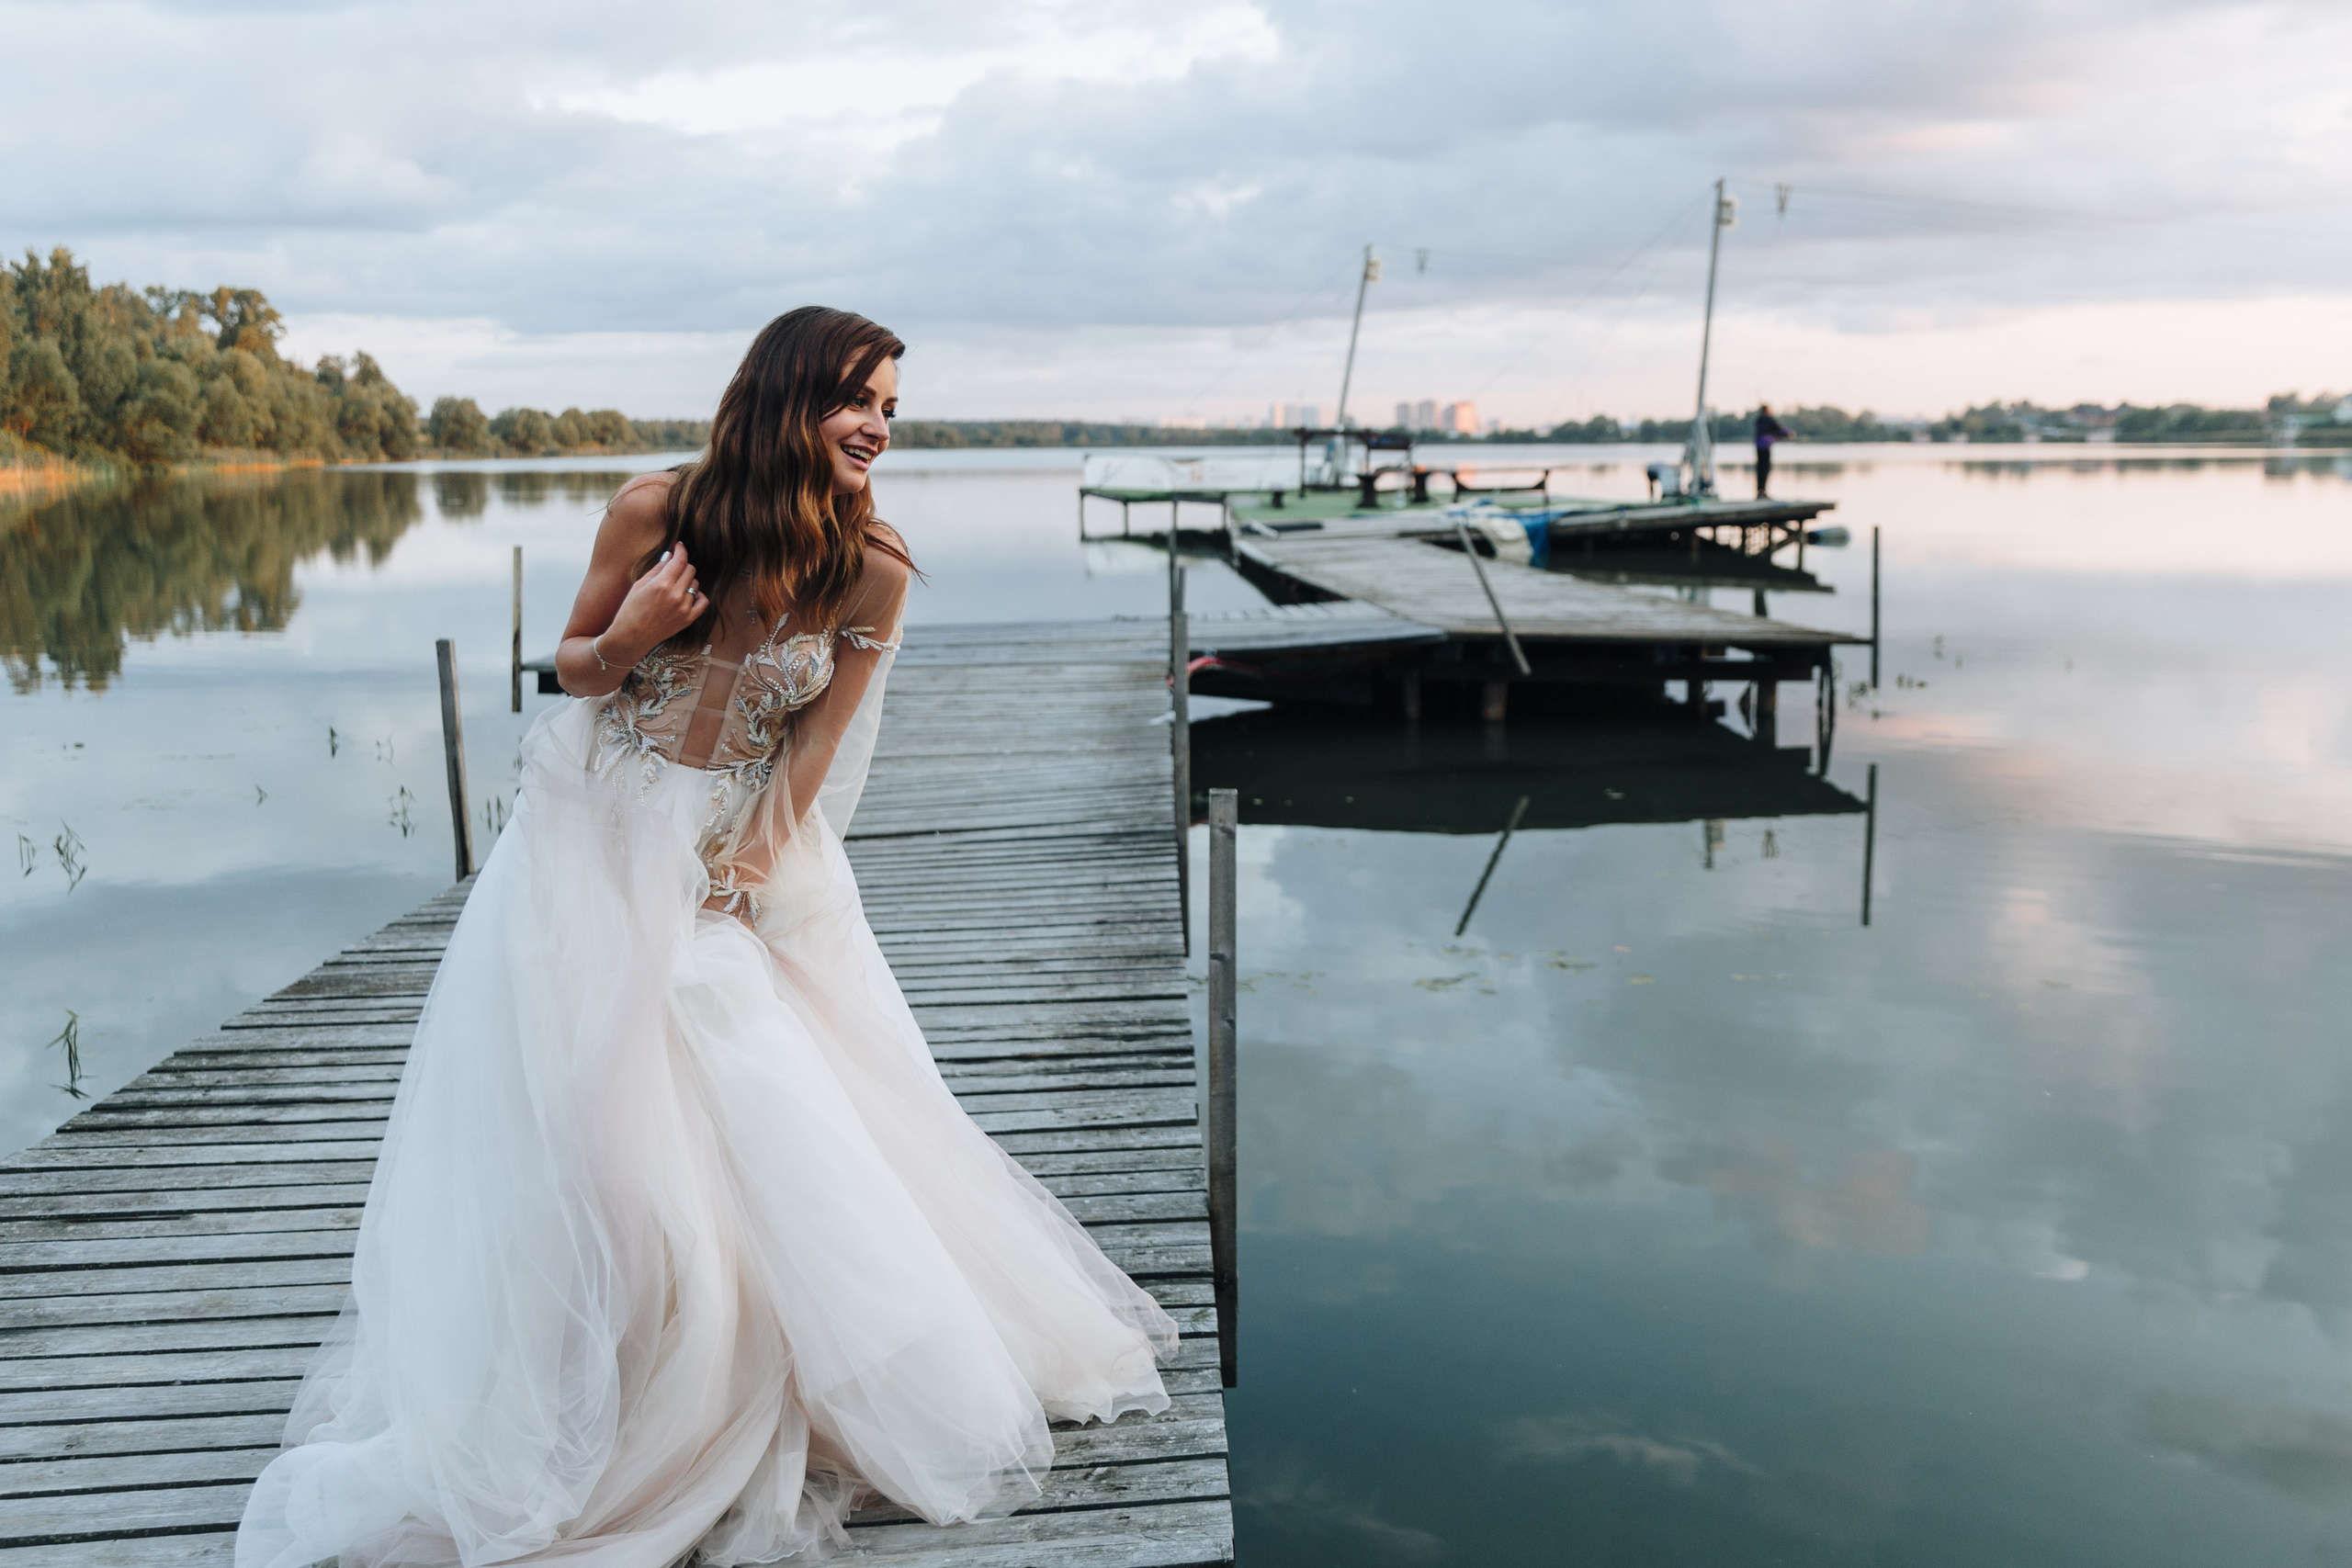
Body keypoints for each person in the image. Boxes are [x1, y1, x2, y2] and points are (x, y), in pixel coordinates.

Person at [236, 308, 1175, 1568]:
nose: (880, 427)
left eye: (892, 409)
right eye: (861, 399)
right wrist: (632, 632)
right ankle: (594, 1382)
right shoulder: (651, 513)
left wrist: (740, 869)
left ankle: (746, 1376)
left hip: (733, 866)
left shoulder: (871, 566)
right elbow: (577, 668)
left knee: (741, 1111)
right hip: (583, 849)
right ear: (789, 393)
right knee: (576, 1123)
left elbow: (818, 742)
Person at [1753, 403, 1791, 499]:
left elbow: (1772, 431)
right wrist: (1789, 434)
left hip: (1759, 446)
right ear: (1767, 410)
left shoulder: (1759, 420)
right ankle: (1762, 492)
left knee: (1760, 469)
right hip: (1765, 446)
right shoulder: (1768, 420)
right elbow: (1778, 429)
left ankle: (1760, 491)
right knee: (1765, 468)